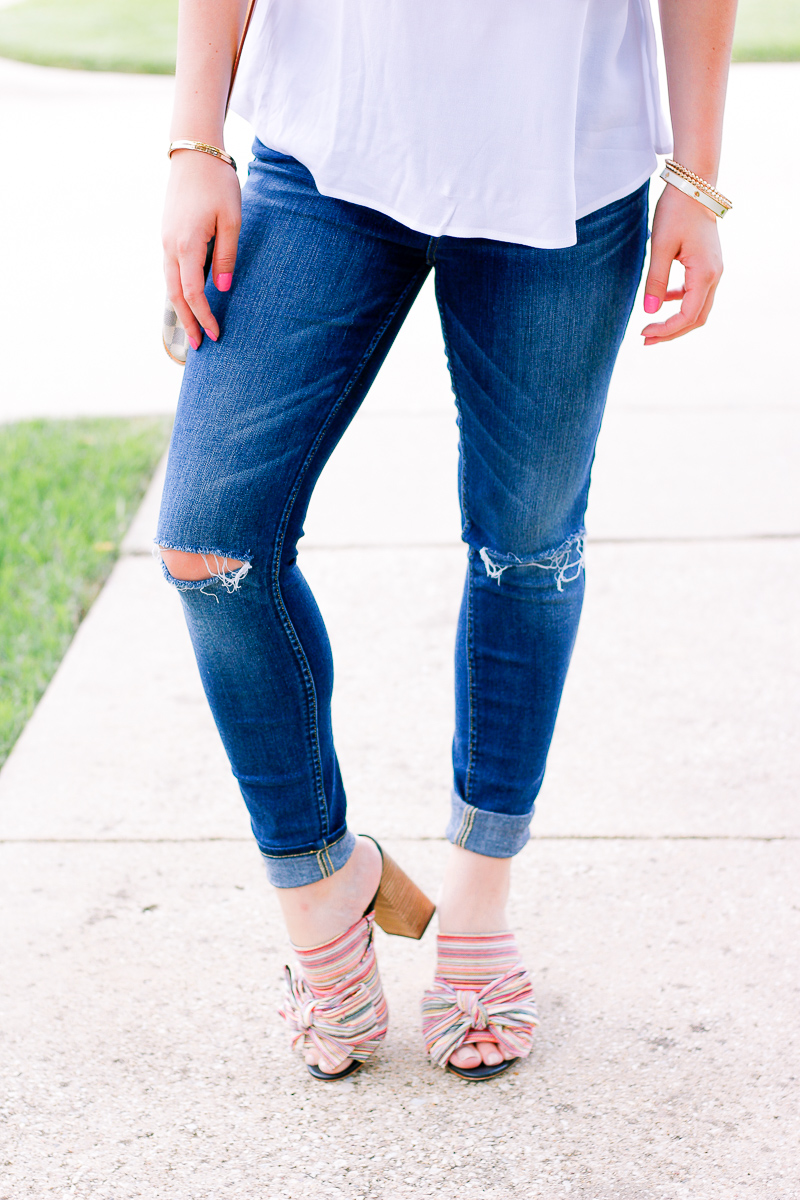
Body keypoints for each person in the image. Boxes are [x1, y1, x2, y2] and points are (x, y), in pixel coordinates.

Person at [159, 0, 737, 1081]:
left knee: (526, 548)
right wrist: (197, 142)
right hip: (324, 146)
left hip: (565, 160)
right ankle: (321, 887)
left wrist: (695, 180)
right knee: (208, 538)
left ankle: (476, 902)